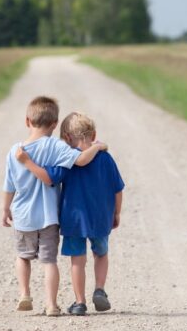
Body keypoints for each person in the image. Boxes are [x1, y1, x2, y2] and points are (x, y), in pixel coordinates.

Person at [3, 97, 106, 316]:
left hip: (22, 216)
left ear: (27, 121)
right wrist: (98, 147)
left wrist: (5, 209)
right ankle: (51, 304)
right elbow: (80, 160)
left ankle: (24, 294)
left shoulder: (15, 150)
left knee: (22, 256)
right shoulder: (56, 146)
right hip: (49, 216)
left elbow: (9, 185)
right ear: (55, 124)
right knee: (49, 261)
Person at [16, 112, 124, 316]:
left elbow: (49, 177)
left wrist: (28, 162)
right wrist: (116, 213)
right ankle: (99, 289)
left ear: (65, 138)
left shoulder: (66, 160)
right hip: (101, 217)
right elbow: (117, 189)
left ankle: (80, 301)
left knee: (77, 260)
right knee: (101, 253)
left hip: (74, 219)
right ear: (94, 134)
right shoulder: (106, 158)